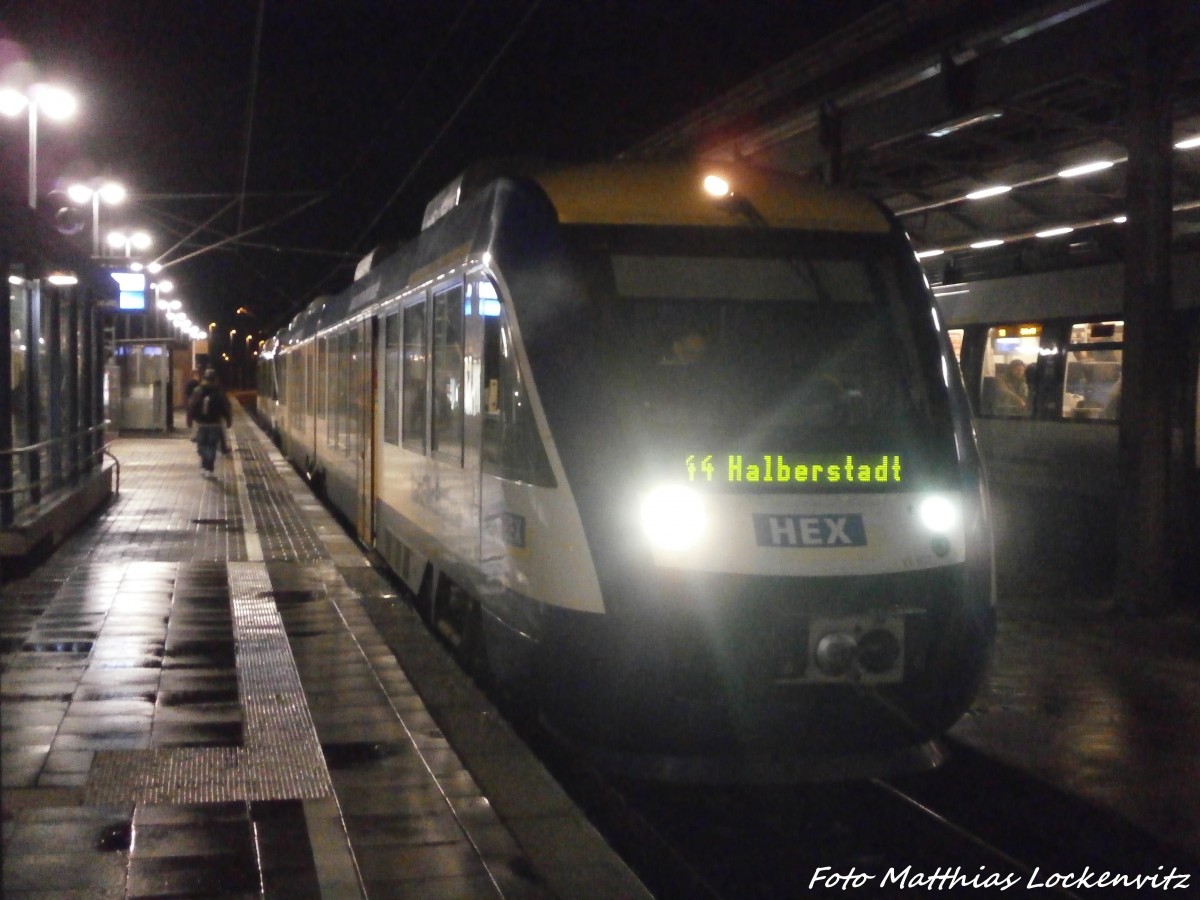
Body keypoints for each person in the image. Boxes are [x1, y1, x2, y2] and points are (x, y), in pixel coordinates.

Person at [186, 369, 232, 475]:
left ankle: (205, 463)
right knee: (212, 445)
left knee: (201, 445)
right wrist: (228, 420)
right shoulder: (220, 392)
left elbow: (191, 406)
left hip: (201, 423)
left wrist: (189, 420)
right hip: (215, 423)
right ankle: (209, 467)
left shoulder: (197, 390)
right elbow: (226, 407)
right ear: (215, 379)